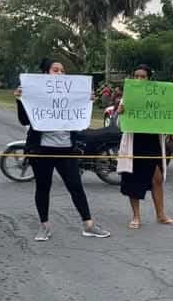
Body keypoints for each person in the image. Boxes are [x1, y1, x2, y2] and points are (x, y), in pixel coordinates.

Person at [16, 59, 111, 241]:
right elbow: (24, 120)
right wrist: (20, 99)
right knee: (43, 188)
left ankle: (89, 224)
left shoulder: (70, 93)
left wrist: (87, 101)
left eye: (62, 70)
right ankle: (44, 226)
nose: (59, 73)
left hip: (66, 149)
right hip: (41, 150)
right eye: (55, 70)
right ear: (45, 74)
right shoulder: (34, 94)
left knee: (76, 186)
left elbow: (81, 118)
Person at [117, 64, 173, 229]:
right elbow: (119, 123)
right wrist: (120, 112)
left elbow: (168, 116)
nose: (139, 79)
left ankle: (161, 215)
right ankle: (136, 217)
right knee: (133, 179)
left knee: (157, 178)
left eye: (142, 76)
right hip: (134, 143)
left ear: (149, 79)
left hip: (152, 143)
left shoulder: (158, 97)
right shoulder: (127, 97)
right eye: (136, 76)